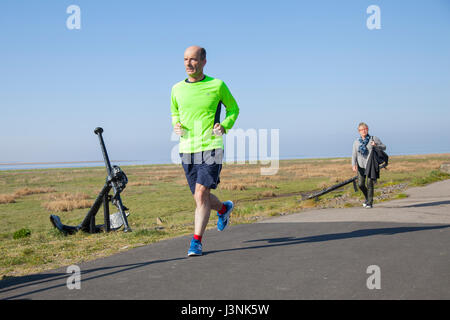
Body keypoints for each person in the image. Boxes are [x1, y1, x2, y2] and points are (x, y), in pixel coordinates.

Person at [170, 46, 240, 256]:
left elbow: (233, 108)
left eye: (193, 60)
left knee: (201, 194)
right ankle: (223, 209)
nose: (188, 64)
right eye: (185, 59)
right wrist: (176, 125)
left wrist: (225, 125)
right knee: (201, 199)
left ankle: (196, 242)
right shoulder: (176, 89)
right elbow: (174, 111)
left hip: (211, 146)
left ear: (203, 62)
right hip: (186, 149)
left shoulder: (217, 85)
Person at [351, 122, 386, 209]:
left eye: (365, 129)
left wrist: (376, 145)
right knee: (360, 184)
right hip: (360, 165)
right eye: (362, 130)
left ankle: (370, 202)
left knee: (369, 183)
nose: (364, 131)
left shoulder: (373, 139)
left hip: (371, 165)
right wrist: (353, 164)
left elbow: (384, 147)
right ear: (359, 131)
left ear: (368, 129)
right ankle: (367, 197)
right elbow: (354, 154)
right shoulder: (356, 142)